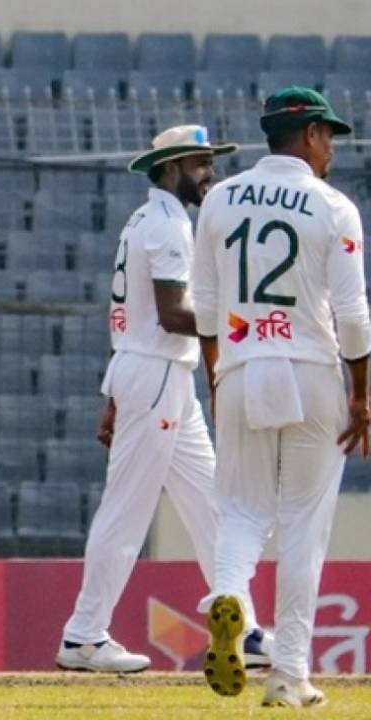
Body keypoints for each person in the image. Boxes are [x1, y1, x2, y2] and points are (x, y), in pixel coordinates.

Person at [56, 125, 272, 674]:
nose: (209, 173)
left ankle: (243, 629)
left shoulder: (146, 219)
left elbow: (138, 317)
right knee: (126, 511)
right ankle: (84, 635)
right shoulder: (168, 225)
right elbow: (173, 315)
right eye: (200, 163)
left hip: (159, 376)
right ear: (171, 167)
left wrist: (115, 394)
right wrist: (241, 322)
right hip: (156, 375)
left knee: (214, 504)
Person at [192, 87, 370, 708]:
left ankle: (231, 601)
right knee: (303, 524)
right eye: (329, 137)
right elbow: (354, 316)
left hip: (241, 366)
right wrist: (362, 395)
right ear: (311, 134)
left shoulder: (219, 199)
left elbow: (205, 307)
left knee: (240, 512)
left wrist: (217, 377)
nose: (332, 150)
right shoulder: (333, 205)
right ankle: (289, 673)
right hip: (312, 370)